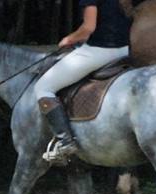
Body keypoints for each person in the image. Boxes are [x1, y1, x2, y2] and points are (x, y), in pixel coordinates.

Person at [33, 0, 131, 166]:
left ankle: (65, 143)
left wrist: (68, 39)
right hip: (124, 50)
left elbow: (88, 28)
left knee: (43, 88)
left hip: (101, 51)